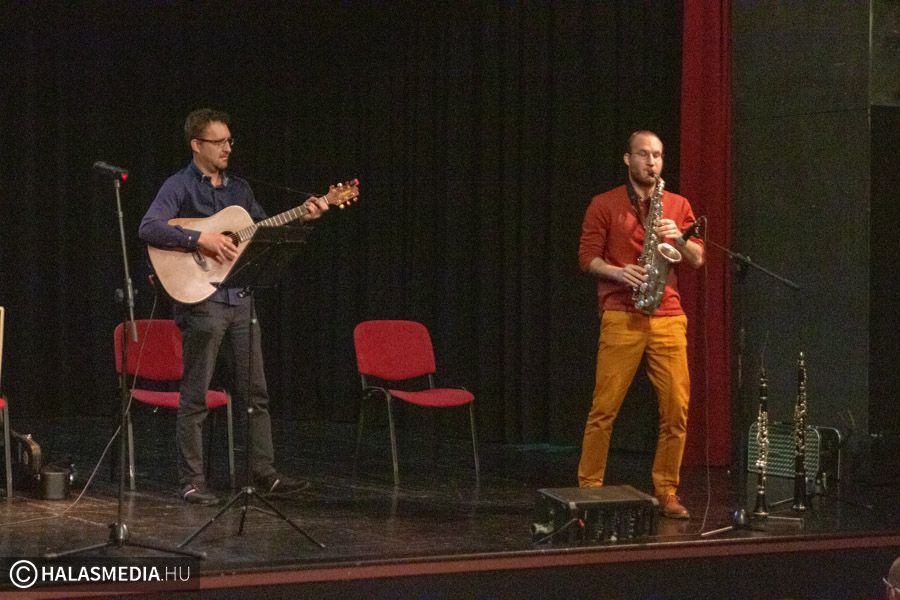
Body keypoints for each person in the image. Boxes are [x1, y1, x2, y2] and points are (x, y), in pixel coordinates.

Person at [139, 108, 329, 505]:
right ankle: (192, 481)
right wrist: (200, 240)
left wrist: (305, 217)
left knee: (255, 393)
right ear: (197, 145)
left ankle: (264, 472)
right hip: (201, 301)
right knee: (196, 395)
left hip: (241, 299)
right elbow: (149, 227)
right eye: (219, 141)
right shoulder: (178, 186)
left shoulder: (239, 190)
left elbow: (264, 233)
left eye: (229, 140)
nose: (228, 147)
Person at [576, 130, 704, 519]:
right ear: (627, 159)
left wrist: (678, 240)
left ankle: (667, 491)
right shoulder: (604, 203)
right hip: (621, 311)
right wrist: (619, 272)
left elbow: (698, 258)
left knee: (676, 408)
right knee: (604, 407)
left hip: (668, 314)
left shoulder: (678, 205)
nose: (652, 162)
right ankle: (589, 489)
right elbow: (586, 258)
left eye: (658, 156)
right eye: (644, 155)